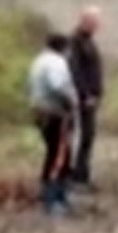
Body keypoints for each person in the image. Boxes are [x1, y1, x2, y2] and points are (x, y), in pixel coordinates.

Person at [28, 33, 79, 215]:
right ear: (64, 48)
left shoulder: (39, 60)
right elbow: (57, 85)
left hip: (40, 113)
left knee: (53, 152)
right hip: (55, 114)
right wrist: (72, 101)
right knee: (60, 155)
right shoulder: (57, 62)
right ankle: (53, 200)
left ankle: (54, 195)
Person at [65, 6, 106, 191]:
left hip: (91, 99)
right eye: (95, 21)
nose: (98, 25)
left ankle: (82, 173)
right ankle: (75, 175)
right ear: (85, 21)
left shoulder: (88, 41)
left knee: (88, 136)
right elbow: (75, 71)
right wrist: (86, 94)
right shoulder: (75, 42)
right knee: (80, 135)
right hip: (82, 99)